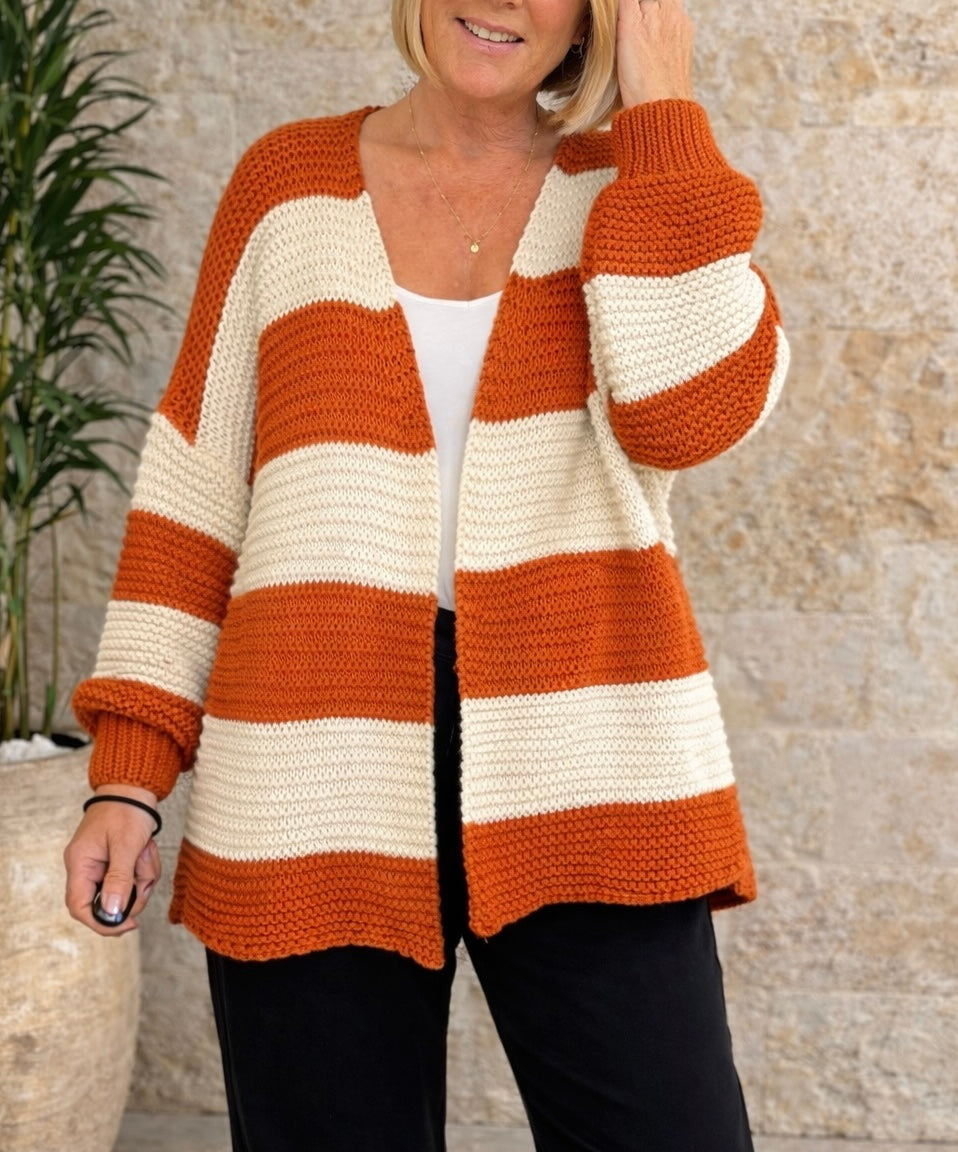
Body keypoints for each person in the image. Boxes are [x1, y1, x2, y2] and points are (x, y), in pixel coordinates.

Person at [64, 0, 789, 1147]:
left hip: (590, 754)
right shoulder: (285, 189)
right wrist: (129, 773)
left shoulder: (642, 190)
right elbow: (196, 487)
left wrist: (662, 102)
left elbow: (686, 416)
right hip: (309, 760)